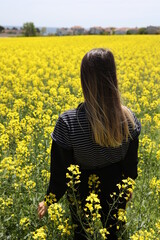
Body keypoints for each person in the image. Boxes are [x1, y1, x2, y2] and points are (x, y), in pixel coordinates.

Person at [38, 48, 141, 239]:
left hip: (80, 187)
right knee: (114, 232)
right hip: (116, 186)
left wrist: (48, 200)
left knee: (82, 233)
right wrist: (127, 187)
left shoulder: (68, 122)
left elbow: (61, 171)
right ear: (114, 77)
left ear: (84, 81)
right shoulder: (129, 120)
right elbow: (130, 165)